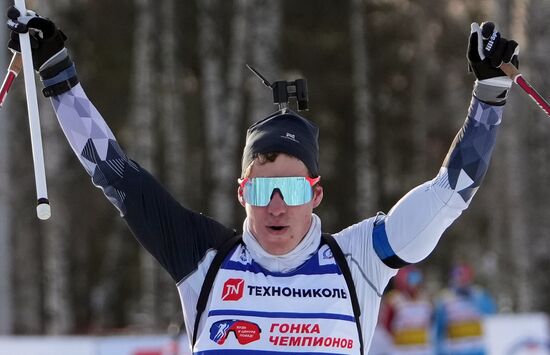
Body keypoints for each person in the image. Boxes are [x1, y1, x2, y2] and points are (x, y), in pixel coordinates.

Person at [6, 8, 519, 354]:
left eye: (292, 191)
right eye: (261, 189)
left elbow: (450, 192)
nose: (276, 206)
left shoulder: (359, 258)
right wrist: (56, 73)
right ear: (240, 193)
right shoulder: (203, 259)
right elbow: (115, 174)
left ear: (316, 194)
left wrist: (489, 92)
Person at [434, 263, 497, 355]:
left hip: (477, 351)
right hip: (454, 351)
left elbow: (491, 310)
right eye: (459, 276)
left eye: (465, 276)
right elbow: (439, 328)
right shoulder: (446, 299)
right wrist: (439, 351)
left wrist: (476, 297)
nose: (462, 280)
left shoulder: (478, 295)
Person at [379, 266, 434, 354]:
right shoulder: (394, 299)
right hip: (400, 349)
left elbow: (431, 321)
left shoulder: (426, 299)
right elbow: (386, 324)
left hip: (422, 349)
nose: (414, 286)